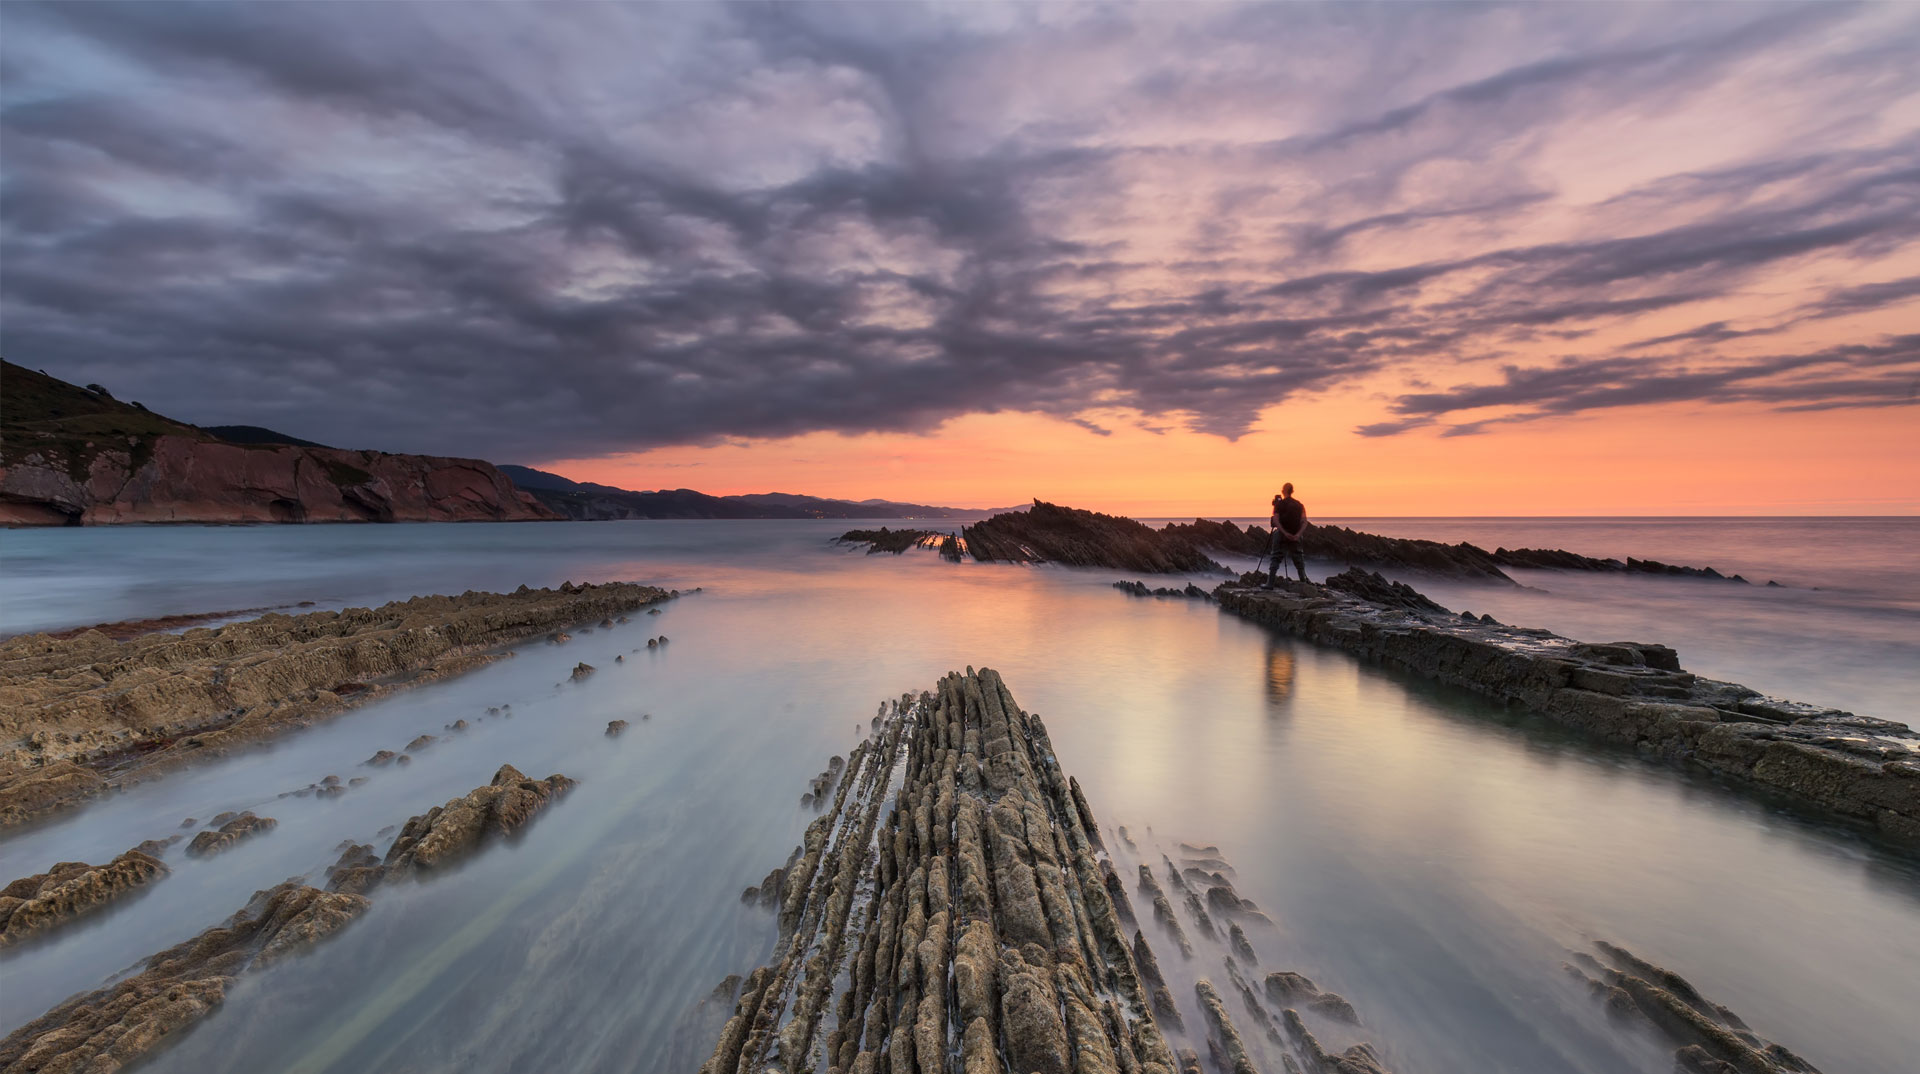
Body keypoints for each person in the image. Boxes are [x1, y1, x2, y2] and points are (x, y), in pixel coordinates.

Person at [1265, 483, 1308, 586]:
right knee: (1299, 559)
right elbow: (1304, 521)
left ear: (1283, 490)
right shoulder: (1299, 505)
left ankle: (1270, 584)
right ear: (1292, 491)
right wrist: (1298, 535)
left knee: (1275, 558)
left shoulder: (1279, 505)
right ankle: (1304, 582)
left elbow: (1275, 521)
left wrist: (1284, 533)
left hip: (1281, 535)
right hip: (1296, 535)